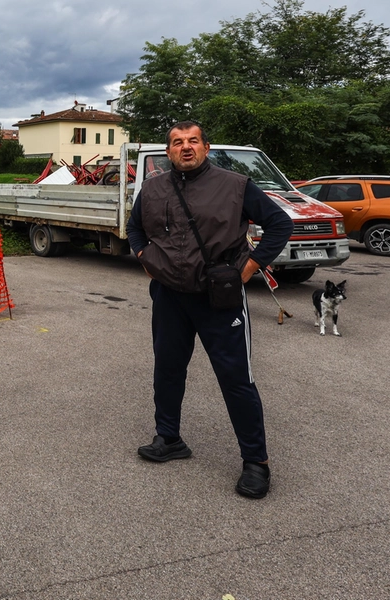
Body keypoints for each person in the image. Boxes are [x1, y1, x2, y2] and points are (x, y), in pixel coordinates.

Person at [125, 121, 292, 499]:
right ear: (168, 151)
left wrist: (250, 267)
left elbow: (280, 224)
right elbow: (135, 228)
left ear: (206, 147)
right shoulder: (152, 189)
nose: (186, 147)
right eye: (177, 142)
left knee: (236, 379)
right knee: (167, 370)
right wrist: (144, 257)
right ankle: (169, 438)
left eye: (193, 141)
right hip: (169, 296)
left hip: (220, 299)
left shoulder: (235, 186)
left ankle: (256, 462)